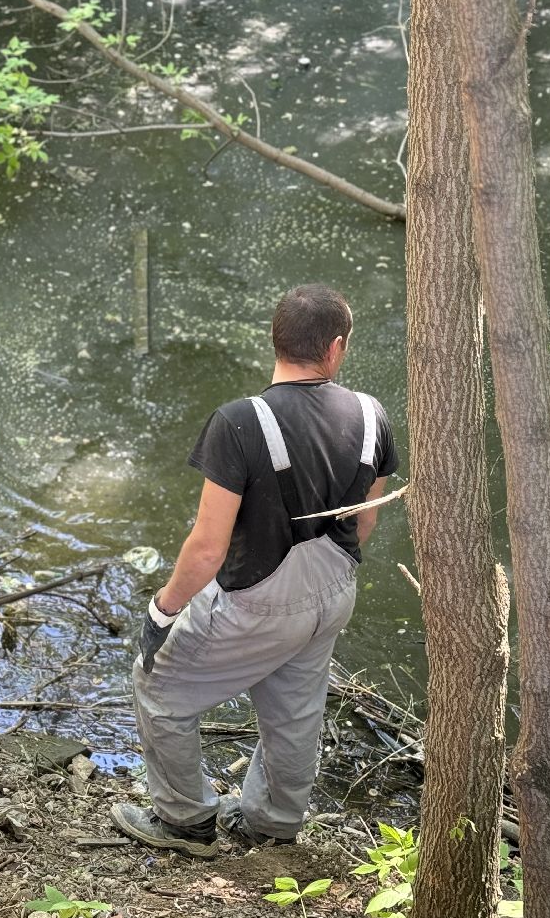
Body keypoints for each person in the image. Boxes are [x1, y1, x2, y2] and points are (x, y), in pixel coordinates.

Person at [112, 284, 398, 857]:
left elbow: (206, 549)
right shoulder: (372, 417)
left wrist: (163, 609)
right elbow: (364, 524)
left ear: (275, 340)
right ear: (336, 348)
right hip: (336, 588)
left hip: (257, 602)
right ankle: (274, 821)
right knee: (296, 708)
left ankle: (185, 821)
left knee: (159, 687)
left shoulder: (240, 422)